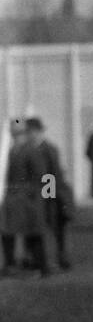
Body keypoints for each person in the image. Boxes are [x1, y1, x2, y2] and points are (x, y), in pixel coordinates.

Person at [25, 118, 72, 272]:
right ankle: (38, 259)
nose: (30, 135)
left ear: (38, 132)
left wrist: (49, 197)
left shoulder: (48, 149)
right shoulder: (30, 149)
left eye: (32, 132)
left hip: (52, 197)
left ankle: (59, 259)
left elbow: (53, 176)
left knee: (55, 230)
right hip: (38, 198)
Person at [1, 118, 40, 276]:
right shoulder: (11, 151)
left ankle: (34, 264)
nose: (16, 136)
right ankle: (10, 263)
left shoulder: (31, 151)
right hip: (12, 199)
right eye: (14, 133)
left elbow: (44, 176)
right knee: (7, 231)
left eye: (19, 133)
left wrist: (47, 198)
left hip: (27, 199)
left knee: (32, 233)